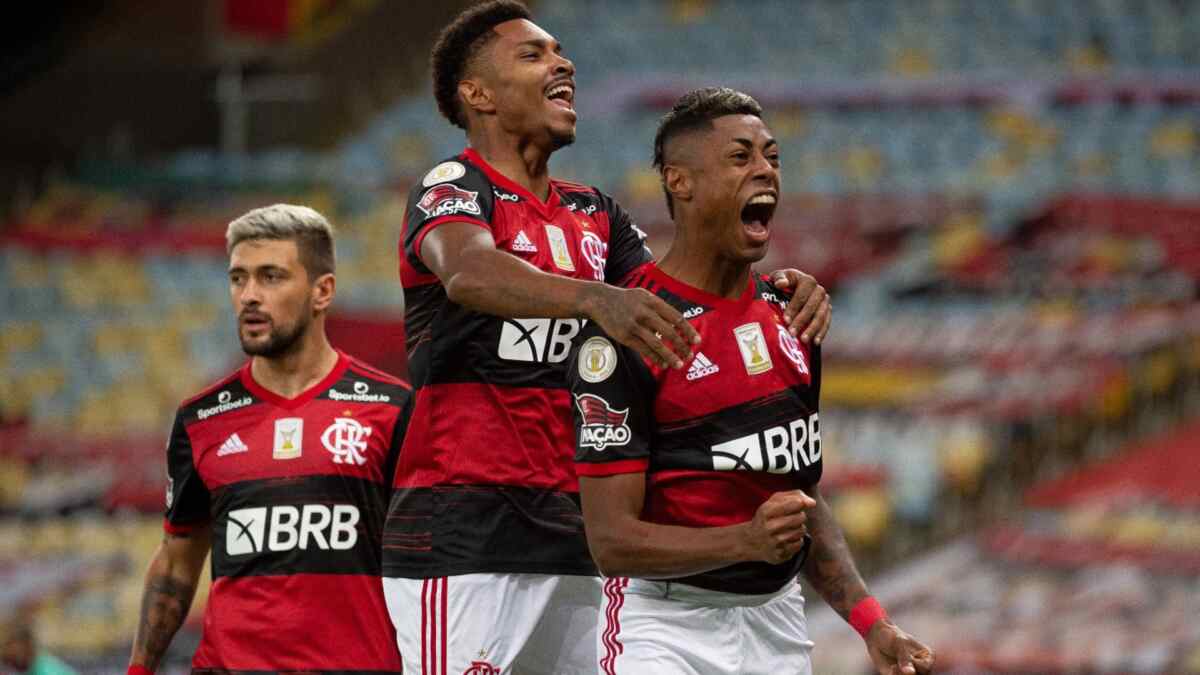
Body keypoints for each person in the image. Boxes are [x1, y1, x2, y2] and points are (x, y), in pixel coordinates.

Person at [383, 3, 832, 674]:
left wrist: (775, 289)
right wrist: (596, 296)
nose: (562, 64)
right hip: (467, 537)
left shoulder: (595, 211)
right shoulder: (454, 187)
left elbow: (680, 296)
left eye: (562, 52)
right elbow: (467, 271)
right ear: (476, 94)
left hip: (578, 541)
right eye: (533, 55)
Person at [567, 88, 935, 675]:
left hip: (778, 624)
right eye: (741, 157)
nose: (765, 169)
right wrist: (744, 541)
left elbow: (803, 506)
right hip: (661, 626)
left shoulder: (794, 318)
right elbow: (610, 543)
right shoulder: (630, 332)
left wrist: (871, 622)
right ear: (680, 182)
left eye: (772, 157)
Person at [127, 205, 410, 674]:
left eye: (271, 277)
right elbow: (177, 563)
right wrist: (138, 670)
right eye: (238, 279)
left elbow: (430, 558)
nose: (249, 296)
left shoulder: (392, 409)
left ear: (323, 292)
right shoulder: (201, 419)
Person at [1, 619, 77, 675]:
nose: (6, 652)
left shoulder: (47, 670)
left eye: (10, 647)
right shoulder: (30, 667)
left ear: (27, 645)